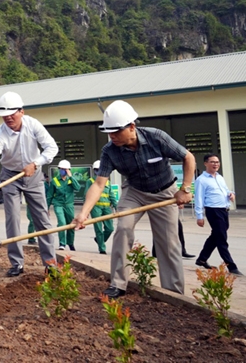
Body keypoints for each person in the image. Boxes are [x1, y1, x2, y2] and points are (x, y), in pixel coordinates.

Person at [73, 100, 195, 298]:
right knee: (123, 228)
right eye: (108, 133)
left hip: (164, 191)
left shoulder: (157, 137)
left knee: (169, 242)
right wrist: (84, 213)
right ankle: (118, 284)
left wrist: (185, 188)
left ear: (132, 127)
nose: (112, 137)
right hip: (134, 191)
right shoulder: (109, 151)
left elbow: (188, 157)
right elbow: (98, 184)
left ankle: (173, 291)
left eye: (116, 131)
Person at [0, 91, 59, 277]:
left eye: (12, 114)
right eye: (4, 115)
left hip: (33, 175)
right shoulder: (0, 135)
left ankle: (50, 264)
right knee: (12, 220)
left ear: (21, 111)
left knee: (42, 219)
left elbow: (52, 148)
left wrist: (36, 163)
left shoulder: (33, 125)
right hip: (9, 177)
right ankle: (17, 263)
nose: (8, 118)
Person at [194, 153, 242, 276]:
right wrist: (199, 216)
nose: (215, 164)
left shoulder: (220, 177)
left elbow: (226, 190)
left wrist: (231, 194)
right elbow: (198, 198)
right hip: (213, 210)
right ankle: (231, 266)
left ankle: (202, 258)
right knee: (221, 238)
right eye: (212, 162)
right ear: (205, 163)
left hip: (224, 210)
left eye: (217, 162)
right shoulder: (201, 180)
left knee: (216, 235)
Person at [85, 160, 118, 255]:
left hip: (107, 208)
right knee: (98, 229)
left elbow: (111, 195)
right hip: (96, 208)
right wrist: (86, 211)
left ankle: (99, 240)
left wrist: (116, 206)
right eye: (96, 170)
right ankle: (102, 248)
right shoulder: (90, 181)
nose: (97, 172)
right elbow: (87, 196)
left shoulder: (107, 182)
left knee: (110, 228)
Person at [47, 159, 80, 251]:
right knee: (62, 222)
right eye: (61, 169)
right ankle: (62, 243)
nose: (63, 171)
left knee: (71, 224)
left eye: (65, 169)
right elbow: (49, 196)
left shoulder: (71, 180)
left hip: (69, 205)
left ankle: (70, 243)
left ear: (68, 170)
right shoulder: (54, 181)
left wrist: (71, 177)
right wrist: (47, 208)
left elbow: (77, 187)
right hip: (58, 204)